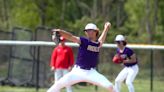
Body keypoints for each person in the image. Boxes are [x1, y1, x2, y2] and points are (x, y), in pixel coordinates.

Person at [47, 22, 115, 92]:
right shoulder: (84, 41)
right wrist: (61, 32)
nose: (87, 32)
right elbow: (71, 37)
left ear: (95, 31)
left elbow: (101, 40)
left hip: (91, 72)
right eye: (86, 31)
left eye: (90, 30)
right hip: (77, 71)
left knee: (110, 86)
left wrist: (106, 29)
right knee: (58, 84)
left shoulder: (97, 44)